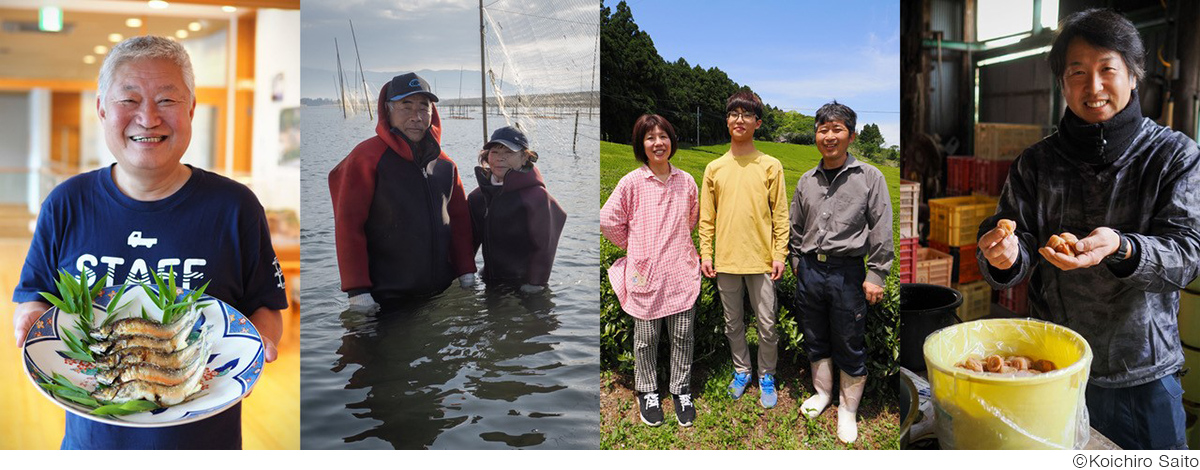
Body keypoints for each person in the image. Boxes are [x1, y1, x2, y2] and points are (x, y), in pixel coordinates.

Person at [10, 35, 287, 449]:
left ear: (191, 109)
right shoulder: (66, 203)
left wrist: (255, 348)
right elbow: (34, 295)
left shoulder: (235, 206)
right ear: (102, 109)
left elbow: (266, 305)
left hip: (206, 440)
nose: (148, 118)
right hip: (94, 442)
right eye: (129, 100)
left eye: (167, 101)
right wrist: (30, 318)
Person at [976, 9, 1200, 450]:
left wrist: (1121, 247)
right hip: (1051, 367)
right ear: (1062, 83)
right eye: (1077, 72)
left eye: (1106, 70)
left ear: (1134, 76)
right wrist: (1005, 256)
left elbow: (1188, 255)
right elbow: (1015, 245)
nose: (1092, 87)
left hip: (1143, 375)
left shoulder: (1174, 156)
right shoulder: (1035, 163)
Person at [788, 101, 893, 443]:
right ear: (815, 135)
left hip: (848, 272)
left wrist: (876, 274)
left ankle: (848, 410)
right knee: (815, 335)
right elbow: (795, 227)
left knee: (849, 340)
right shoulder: (806, 181)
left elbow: (881, 228)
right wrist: (796, 264)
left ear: (851, 134)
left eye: (837, 129)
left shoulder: (869, 177)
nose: (829, 136)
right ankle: (823, 394)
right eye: (823, 130)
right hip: (810, 270)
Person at [328, 72, 476, 312]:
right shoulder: (366, 159)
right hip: (386, 299)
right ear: (388, 110)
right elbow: (348, 226)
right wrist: (358, 291)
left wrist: (466, 271)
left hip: (441, 295)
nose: (416, 117)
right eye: (406, 107)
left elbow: (459, 223)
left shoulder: (446, 165)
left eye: (423, 108)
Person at [600, 114, 700, 427]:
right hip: (644, 272)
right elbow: (608, 220)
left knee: (683, 334)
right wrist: (634, 246)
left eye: (663, 136)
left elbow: (692, 218)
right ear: (641, 145)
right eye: (650, 138)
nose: (658, 143)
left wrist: (677, 244)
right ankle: (647, 390)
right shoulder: (631, 182)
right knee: (646, 338)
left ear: (672, 141)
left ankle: (681, 389)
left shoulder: (686, 181)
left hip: (681, 270)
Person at [698, 90, 789, 409]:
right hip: (725, 261)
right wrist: (705, 253)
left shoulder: (771, 165)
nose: (739, 119)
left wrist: (780, 254)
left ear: (757, 122)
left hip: (762, 260)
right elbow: (706, 217)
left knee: (767, 323)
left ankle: (767, 375)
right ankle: (741, 370)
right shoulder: (714, 168)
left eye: (746, 114)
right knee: (733, 323)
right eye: (734, 113)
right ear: (727, 121)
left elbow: (780, 214)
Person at [467, 126, 566, 293]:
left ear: (524, 158)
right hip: (489, 280)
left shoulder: (537, 198)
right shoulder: (477, 197)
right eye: (495, 152)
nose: (500, 158)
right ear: (486, 156)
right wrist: (465, 273)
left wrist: (535, 285)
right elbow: (468, 241)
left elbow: (544, 247)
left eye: (509, 152)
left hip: (526, 286)